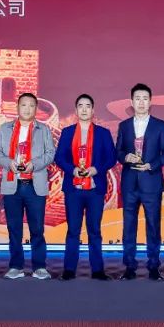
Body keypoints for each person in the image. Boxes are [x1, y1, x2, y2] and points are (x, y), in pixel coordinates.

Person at [0, 93, 56, 279]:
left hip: (35, 185)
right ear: (17, 107)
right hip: (13, 183)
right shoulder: (5, 128)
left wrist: (34, 164)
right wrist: (8, 162)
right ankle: (16, 266)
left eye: (31, 106)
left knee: (37, 229)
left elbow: (50, 153)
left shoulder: (43, 129)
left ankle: (39, 267)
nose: (27, 109)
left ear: (36, 109)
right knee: (14, 229)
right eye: (24, 105)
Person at [114, 83, 164, 281]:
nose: (141, 102)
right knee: (128, 227)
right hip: (130, 184)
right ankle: (129, 267)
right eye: (137, 98)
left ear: (150, 102)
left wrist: (152, 165)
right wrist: (125, 157)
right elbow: (118, 151)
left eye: (145, 98)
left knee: (153, 226)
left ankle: (154, 266)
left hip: (151, 183)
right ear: (131, 102)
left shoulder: (160, 125)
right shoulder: (124, 126)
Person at [54, 94, 117, 280]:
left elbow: (111, 158)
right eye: (80, 106)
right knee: (73, 230)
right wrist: (73, 170)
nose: (84, 109)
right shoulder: (67, 132)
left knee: (95, 231)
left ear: (93, 110)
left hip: (95, 189)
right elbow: (59, 158)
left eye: (87, 106)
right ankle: (69, 270)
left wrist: (96, 169)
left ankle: (98, 270)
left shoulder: (103, 133)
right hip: (73, 189)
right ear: (76, 110)